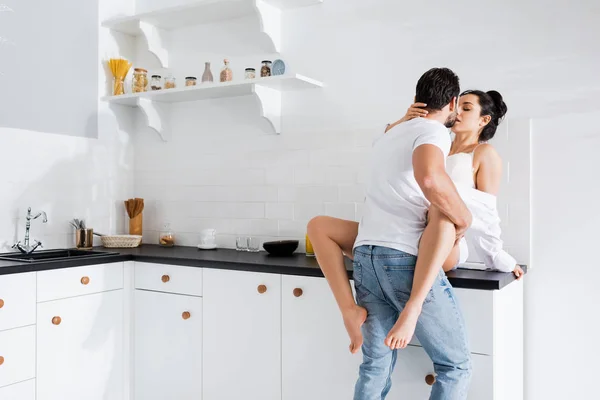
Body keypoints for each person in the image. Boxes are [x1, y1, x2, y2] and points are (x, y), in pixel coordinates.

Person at [307, 87, 524, 357]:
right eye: (458, 106)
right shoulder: (434, 140)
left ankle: (413, 307)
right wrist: (403, 123)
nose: (458, 112)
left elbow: (486, 214)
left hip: (445, 242)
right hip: (406, 233)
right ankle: (349, 310)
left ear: (484, 120)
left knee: (441, 215)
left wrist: (500, 259)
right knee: (320, 226)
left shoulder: (484, 154)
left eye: (467, 108)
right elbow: (388, 160)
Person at [330, 67, 472, 399]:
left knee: (374, 367)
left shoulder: (388, 134)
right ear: (452, 102)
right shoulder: (434, 131)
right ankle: (413, 308)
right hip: (403, 260)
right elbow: (430, 178)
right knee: (455, 367)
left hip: (366, 257)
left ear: (416, 99)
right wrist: (463, 217)